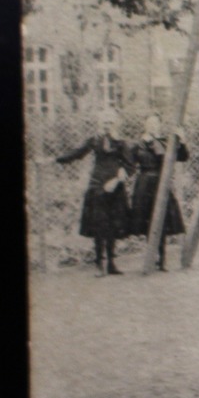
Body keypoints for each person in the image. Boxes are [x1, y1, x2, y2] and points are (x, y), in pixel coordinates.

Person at [56, 110, 132, 276]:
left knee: (112, 224)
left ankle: (111, 263)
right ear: (100, 123)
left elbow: (129, 165)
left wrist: (118, 178)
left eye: (110, 122)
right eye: (104, 122)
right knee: (99, 224)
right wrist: (57, 159)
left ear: (115, 124)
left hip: (115, 188)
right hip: (97, 186)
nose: (107, 125)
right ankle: (99, 263)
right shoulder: (95, 140)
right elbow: (78, 153)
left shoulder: (121, 143)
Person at [128, 113, 189, 271]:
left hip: (161, 183)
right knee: (148, 220)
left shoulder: (165, 142)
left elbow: (183, 157)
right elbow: (129, 163)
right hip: (144, 184)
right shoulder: (137, 144)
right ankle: (152, 256)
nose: (153, 126)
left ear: (160, 125)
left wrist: (182, 140)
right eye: (150, 123)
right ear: (145, 125)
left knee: (162, 220)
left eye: (155, 123)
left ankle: (162, 259)